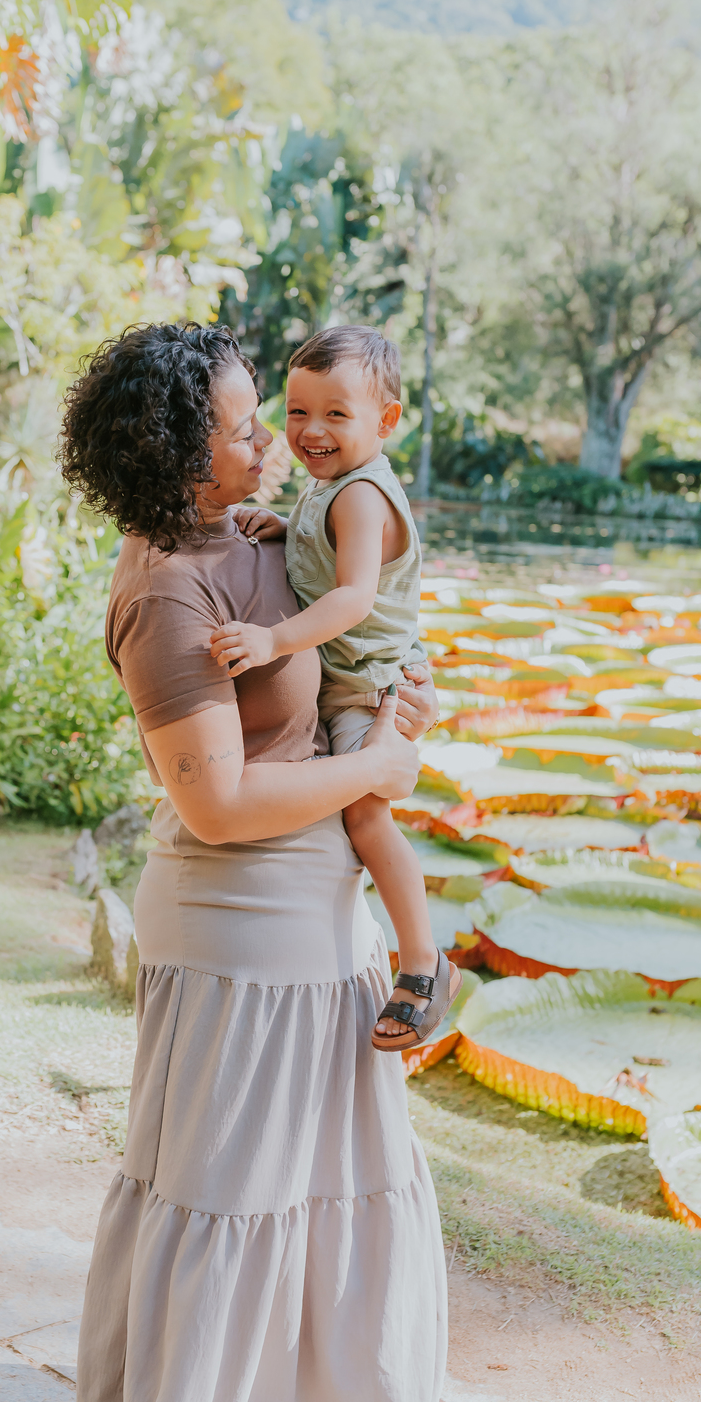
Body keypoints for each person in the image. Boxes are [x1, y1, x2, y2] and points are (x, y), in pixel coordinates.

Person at [60, 321, 448, 1402]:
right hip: (239, 924)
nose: (273, 446)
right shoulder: (168, 589)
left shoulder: (249, 532)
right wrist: (375, 769)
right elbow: (221, 803)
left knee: (313, 1182)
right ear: (184, 457)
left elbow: (346, 624)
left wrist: (392, 712)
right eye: (244, 429)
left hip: (313, 913)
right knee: (229, 1191)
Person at [210, 326, 458, 1051]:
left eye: (336, 414)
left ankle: (422, 963)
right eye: (296, 412)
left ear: (387, 421)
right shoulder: (332, 489)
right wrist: (283, 527)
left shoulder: (361, 497)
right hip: (349, 678)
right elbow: (324, 554)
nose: (311, 431)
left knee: (367, 819)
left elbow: (351, 599)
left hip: (367, 692)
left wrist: (270, 641)